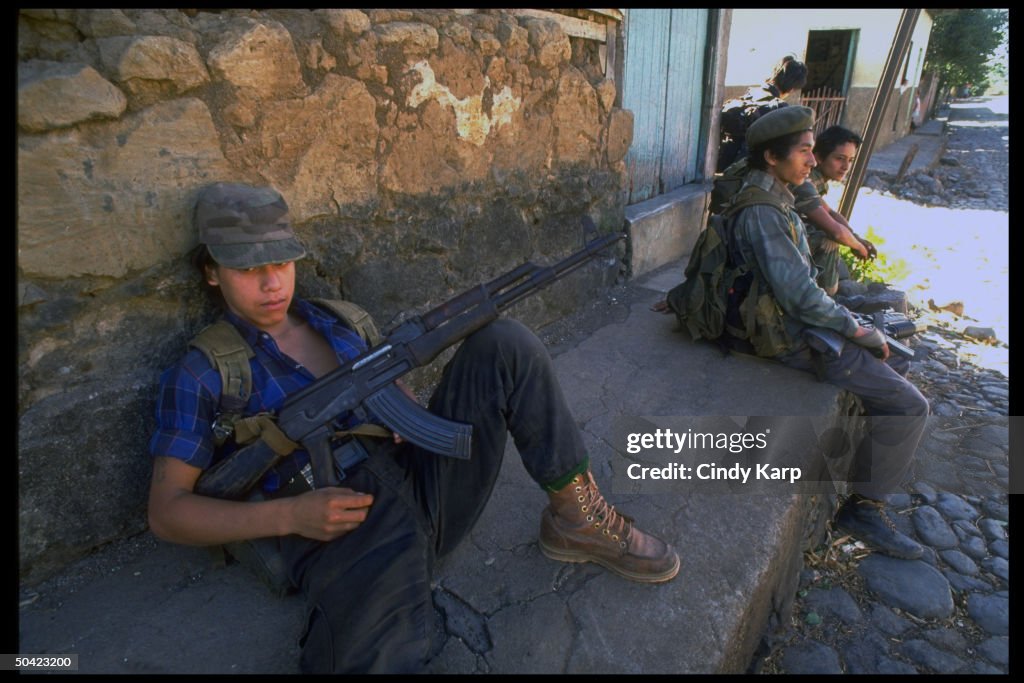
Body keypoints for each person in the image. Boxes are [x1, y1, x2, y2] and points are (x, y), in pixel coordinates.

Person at [147, 182, 680, 674]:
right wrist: (292, 514)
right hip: (339, 528)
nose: (271, 283)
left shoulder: (339, 320)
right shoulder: (205, 371)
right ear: (211, 272)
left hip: (426, 482)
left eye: (283, 262)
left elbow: (397, 398)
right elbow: (169, 515)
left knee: (506, 342)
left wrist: (400, 412)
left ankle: (575, 517)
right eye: (247, 269)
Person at [697, 107, 929, 559]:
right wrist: (859, 331)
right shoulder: (764, 211)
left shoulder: (778, 190)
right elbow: (801, 297)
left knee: (896, 360)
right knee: (911, 405)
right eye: (804, 151)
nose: (811, 160)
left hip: (793, 316)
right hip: (788, 334)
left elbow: (818, 220)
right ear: (772, 157)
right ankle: (863, 509)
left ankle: (869, 462)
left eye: (810, 151)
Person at [791, 125, 877, 295]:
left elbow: (830, 212)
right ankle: (826, 299)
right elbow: (835, 231)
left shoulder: (816, 180)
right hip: (778, 244)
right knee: (828, 240)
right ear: (819, 157)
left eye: (850, 160)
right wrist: (858, 247)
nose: (846, 166)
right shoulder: (804, 180)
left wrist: (856, 237)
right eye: (840, 158)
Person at [716, 55, 808, 172]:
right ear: (792, 88)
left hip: (723, 161)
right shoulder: (779, 108)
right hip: (746, 171)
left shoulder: (751, 94)